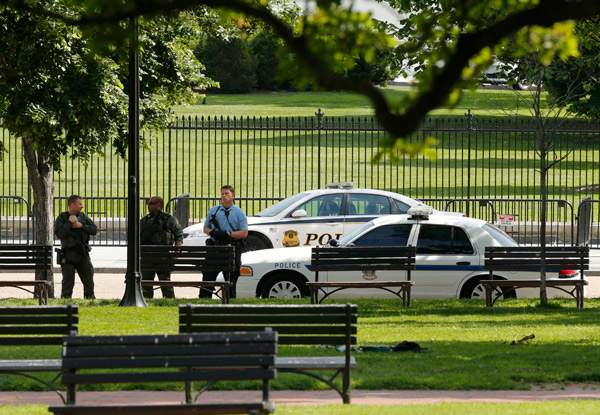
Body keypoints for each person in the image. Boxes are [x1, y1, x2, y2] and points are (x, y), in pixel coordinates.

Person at [200, 185, 248, 299]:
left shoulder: (239, 212)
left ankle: (230, 299)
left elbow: (244, 233)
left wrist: (229, 234)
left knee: (231, 277)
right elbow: (205, 228)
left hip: (232, 248)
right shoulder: (214, 211)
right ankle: (204, 298)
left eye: (227, 194)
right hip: (214, 248)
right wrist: (213, 233)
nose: (224, 196)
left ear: (233, 195)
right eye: (222, 194)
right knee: (208, 275)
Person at [140, 196, 183, 298]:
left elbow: (179, 236)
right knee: (146, 283)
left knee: (165, 283)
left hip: (163, 256)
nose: (148, 206)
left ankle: (169, 301)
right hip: (147, 256)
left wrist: (176, 254)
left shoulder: (169, 219)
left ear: (159, 205)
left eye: (151, 204)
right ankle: (147, 301)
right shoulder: (145, 220)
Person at [55, 195, 98, 299]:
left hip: (82, 254)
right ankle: (65, 302)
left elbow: (94, 230)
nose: (82, 206)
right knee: (68, 283)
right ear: (72, 205)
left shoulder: (83, 217)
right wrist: (69, 222)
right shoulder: (62, 217)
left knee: (88, 280)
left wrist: (81, 226)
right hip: (68, 255)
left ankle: (89, 301)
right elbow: (60, 233)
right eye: (80, 204)